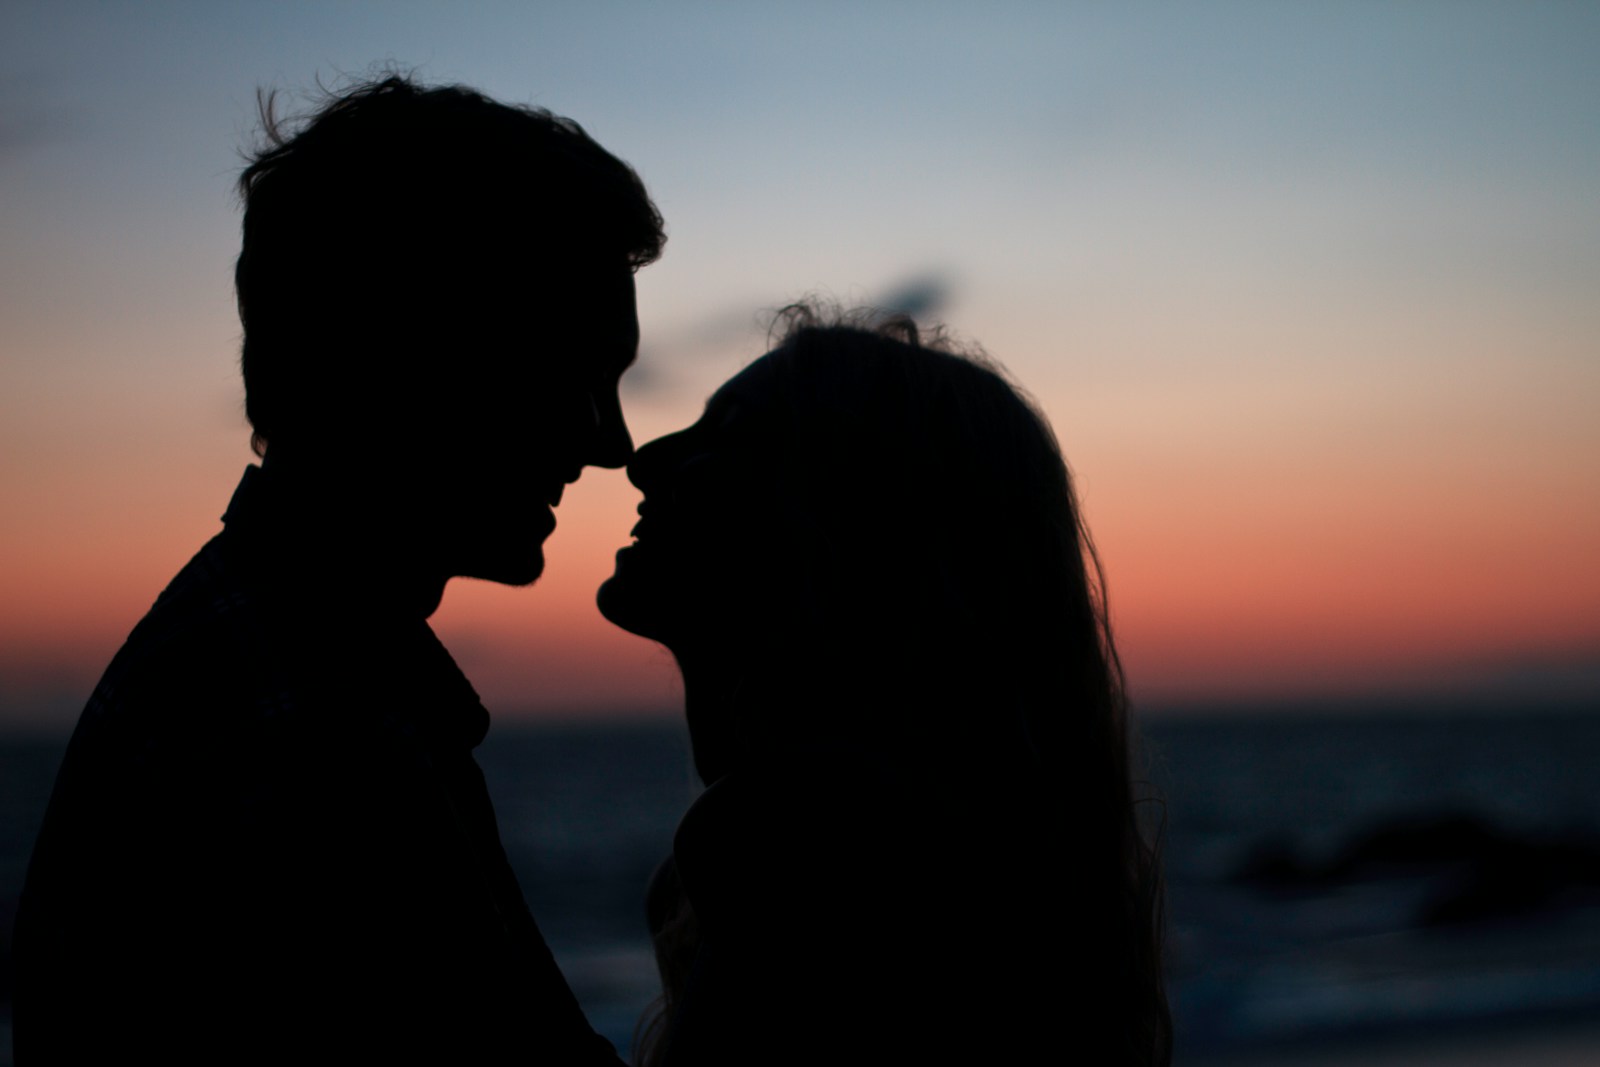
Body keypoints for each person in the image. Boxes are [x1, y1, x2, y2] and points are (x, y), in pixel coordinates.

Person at [15, 75, 663, 1064]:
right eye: (576, 373)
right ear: (420, 352)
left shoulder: (289, 663)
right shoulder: (302, 723)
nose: (611, 444)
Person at [599, 308, 1171, 1065]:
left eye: (727, 432)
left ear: (845, 525)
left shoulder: (822, 849)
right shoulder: (937, 847)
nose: (647, 460)